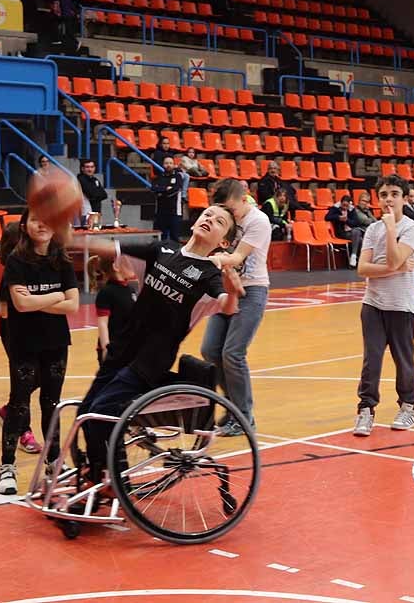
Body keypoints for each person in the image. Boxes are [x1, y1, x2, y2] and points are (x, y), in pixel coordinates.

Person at [68, 206, 245, 482]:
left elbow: (227, 306)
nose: (209, 220)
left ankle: (109, 478)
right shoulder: (163, 250)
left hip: (149, 361)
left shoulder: (209, 274)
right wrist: (70, 239)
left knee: (100, 414)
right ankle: (104, 474)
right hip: (121, 350)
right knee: (86, 414)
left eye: (219, 221)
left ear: (223, 242)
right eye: (207, 215)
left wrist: (233, 290)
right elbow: (110, 247)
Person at [0, 208, 79, 494]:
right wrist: (57, 296)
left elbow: (74, 305)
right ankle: (7, 466)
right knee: (19, 404)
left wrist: (39, 299)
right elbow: (21, 305)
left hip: (56, 343)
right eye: (34, 219)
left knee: (51, 405)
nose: (41, 224)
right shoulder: (16, 262)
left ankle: (54, 462)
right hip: (24, 344)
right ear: (24, 225)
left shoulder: (63, 261)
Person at [353, 175, 414, 437]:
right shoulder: (372, 230)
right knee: (371, 360)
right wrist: (391, 268)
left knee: (403, 360)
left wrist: (392, 229)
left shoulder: (411, 228)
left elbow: (393, 259)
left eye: (394, 193)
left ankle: (408, 406)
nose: (388, 199)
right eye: (383, 194)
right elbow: (363, 269)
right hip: (373, 304)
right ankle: (366, 409)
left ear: (405, 198)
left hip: (401, 305)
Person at [201, 179, 272, 435]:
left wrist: (213, 260)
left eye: (231, 209)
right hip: (225, 289)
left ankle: (243, 418)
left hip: (252, 290)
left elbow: (238, 257)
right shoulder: (225, 217)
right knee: (210, 350)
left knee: (232, 353)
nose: (227, 215)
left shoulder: (258, 221)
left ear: (245, 199)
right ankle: (233, 410)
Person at [0, 222, 41, 455]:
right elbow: (4, 311)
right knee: (22, 380)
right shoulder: (10, 274)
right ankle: (24, 432)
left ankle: (7, 411)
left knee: (37, 377)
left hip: (31, 328)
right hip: (14, 330)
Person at [90, 255, 137, 366]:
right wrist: (107, 349)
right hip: (114, 349)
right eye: (128, 263)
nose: (132, 265)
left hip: (128, 347)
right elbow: (102, 324)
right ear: (116, 266)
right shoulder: (106, 292)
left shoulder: (130, 289)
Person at [326, 194, 369, 267]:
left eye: (347, 206)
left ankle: (354, 258)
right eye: (343, 205)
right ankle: (358, 259)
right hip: (341, 232)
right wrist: (338, 218)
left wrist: (347, 220)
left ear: (350, 204)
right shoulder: (335, 208)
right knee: (359, 239)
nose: (345, 207)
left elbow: (356, 223)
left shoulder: (351, 210)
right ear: (341, 203)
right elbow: (327, 217)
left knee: (358, 233)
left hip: (351, 232)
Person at [152, 155, 186, 241]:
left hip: (174, 212)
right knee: (161, 238)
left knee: (174, 238)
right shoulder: (159, 177)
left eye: (170, 163)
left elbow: (175, 190)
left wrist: (162, 191)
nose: (168, 165)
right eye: (166, 163)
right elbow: (154, 189)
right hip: (161, 212)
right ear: (163, 165)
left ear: (174, 165)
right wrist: (166, 189)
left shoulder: (178, 176)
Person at [77, 159, 109, 224]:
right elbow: (91, 194)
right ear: (82, 169)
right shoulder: (81, 179)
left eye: (92, 167)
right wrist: (96, 194)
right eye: (87, 167)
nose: (90, 169)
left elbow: (104, 195)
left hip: (96, 212)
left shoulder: (95, 180)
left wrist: (95, 195)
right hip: (86, 213)